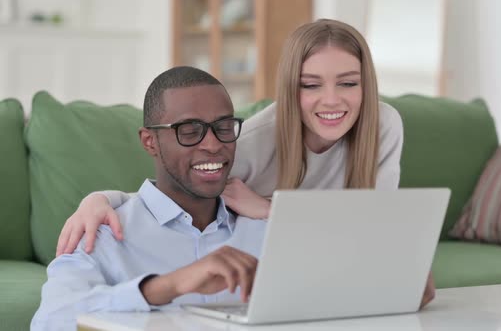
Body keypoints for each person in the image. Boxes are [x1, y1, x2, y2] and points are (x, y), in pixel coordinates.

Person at [55, 19, 436, 308]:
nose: (332, 100)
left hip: (308, 244)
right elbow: (176, 193)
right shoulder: (248, 143)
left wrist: (271, 211)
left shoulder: (383, 125)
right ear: (291, 87)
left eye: (349, 83)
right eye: (311, 84)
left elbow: (385, 236)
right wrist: (100, 200)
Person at [31, 67, 267, 331]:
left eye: (223, 127)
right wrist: (166, 286)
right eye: (189, 131)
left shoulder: (264, 231)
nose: (212, 145)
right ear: (149, 141)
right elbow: (49, 320)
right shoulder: (101, 233)